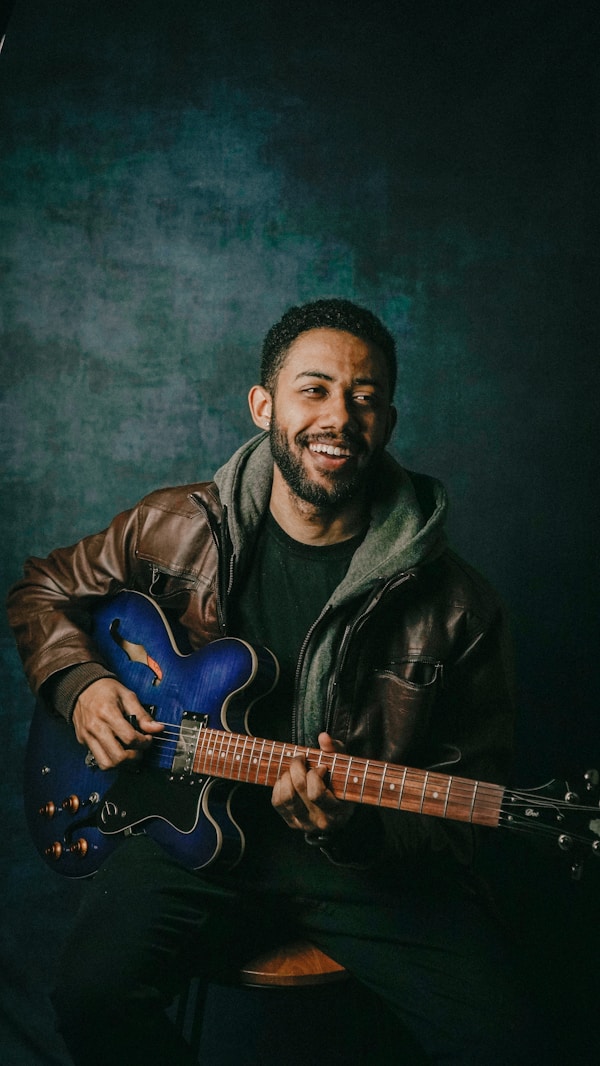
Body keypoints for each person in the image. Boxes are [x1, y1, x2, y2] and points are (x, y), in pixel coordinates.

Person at [8, 298, 539, 1065]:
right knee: (92, 1000)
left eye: (364, 397)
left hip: (359, 861)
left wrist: (351, 826)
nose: (339, 417)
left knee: (509, 1041)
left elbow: (467, 796)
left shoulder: (458, 606)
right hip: (182, 828)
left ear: (387, 422)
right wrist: (80, 684)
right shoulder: (172, 524)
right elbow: (41, 590)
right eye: (314, 389)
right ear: (264, 406)